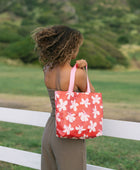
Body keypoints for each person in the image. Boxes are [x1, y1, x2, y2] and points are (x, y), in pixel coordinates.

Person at [31, 25, 95, 170]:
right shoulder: (78, 74)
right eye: (77, 46)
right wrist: (82, 69)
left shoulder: (47, 69)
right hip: (68, 132)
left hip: (50, 129)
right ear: (70, 48)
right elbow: (91, 96)